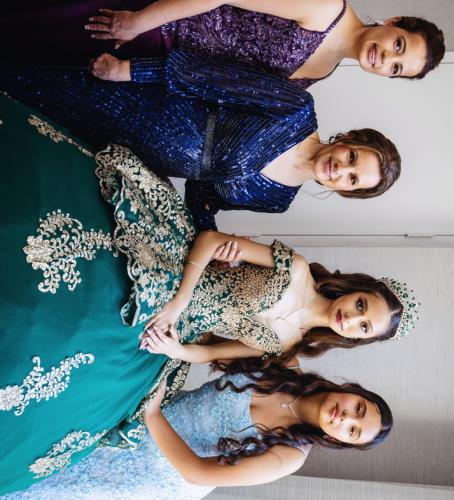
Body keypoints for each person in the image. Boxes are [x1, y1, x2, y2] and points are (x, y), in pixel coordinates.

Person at [0, 95, 414, 494]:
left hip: (178, 332)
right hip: (179, 277)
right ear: (357, 290)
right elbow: (212, 240)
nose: (352, 318)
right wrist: (178, 303)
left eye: (363, 327)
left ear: (357, 339)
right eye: (362, 305)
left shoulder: (287, 350)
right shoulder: (297, 269)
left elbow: (211, 353)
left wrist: (177, 350)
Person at [0, 48, 401, 231]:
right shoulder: (297, 109)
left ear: (346, 192)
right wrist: (129, 71)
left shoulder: (278, 201)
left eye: (352, 180)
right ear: (348, 138)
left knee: (36, 133)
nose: (341, 170)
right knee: (32, 86)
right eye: (352, 158)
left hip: (130, 159)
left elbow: (202, 193)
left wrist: (208, 230)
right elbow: (211, 78)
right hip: (141, 106)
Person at [4, 359, 393, 498]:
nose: (346, 417)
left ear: (339, 441)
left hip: (159, 470)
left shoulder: (289, 456)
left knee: (50, 481)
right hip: (154, 405)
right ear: (351, 390)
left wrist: (152, 415)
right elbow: (219, 344)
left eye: (353, 430)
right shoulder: (286, 366)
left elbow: (197, 473)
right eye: (358, 408)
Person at [1, 0, 445, 86]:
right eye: (399, 45)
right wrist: (138, 21)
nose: (385, 58)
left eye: (396, 68)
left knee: (31, 55)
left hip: (154, 61)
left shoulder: (323, 72)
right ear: (393, 22)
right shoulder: (325, 7)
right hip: (155, 22)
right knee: (28, 23)